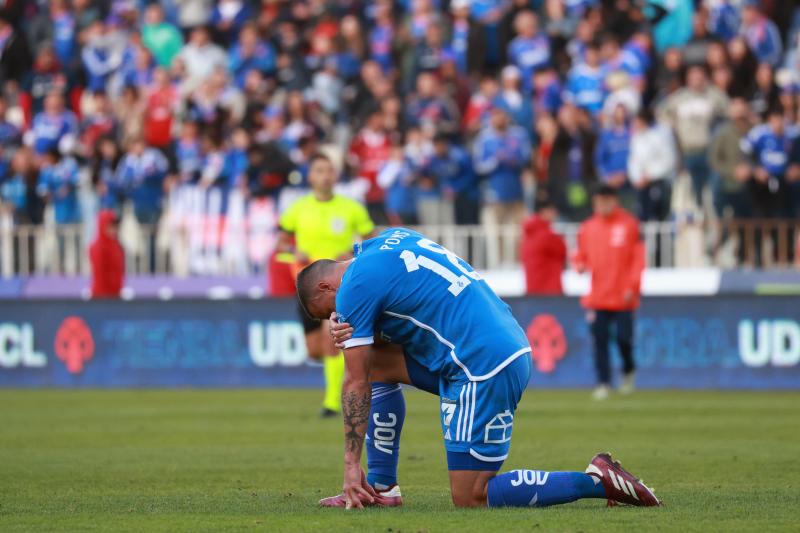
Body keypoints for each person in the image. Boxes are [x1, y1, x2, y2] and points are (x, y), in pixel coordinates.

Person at [297, 228, 660, 509]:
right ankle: (380, 488)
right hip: (501, 345)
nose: (334, 317)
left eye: (326, 311)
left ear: (327, 286)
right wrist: (359, 329)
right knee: (376, 363)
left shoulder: (352, 290)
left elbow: (354, 380)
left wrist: (349, 464)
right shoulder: (390, 240)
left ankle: (597, 481)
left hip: (482, 366)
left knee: (471, 496)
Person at [277, 153, 375, 417]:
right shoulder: (298, 208)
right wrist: (293, 251)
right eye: (320, 170)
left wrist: (353, 252)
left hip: (337, 285)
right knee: (314, 350)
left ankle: (332, 402)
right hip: (306, 284)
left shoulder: (351, 208)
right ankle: (349, 372)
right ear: (310, 176)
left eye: (330, 170)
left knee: (328, 336)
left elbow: (373, 242)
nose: (326, 175)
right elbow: (282, 244)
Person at [573, 186, 645, 400]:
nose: (602, 206)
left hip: (623, 296)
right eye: (598, 201)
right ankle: (603, 382)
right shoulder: (587, 228)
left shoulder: (629, 224)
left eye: (606, 201)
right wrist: (579, 264)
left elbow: (638, 258)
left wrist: (632, 287)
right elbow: (581, 255)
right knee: (599, 341)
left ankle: (629, 370)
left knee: (624, 339)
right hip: (598, 297)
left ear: (614, 201)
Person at [520, 197, 566, 295]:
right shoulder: (548, 235)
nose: (555, 214)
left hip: (532, 289)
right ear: (544, 212)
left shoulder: (529, 233)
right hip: (550, 290)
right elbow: (562, 252)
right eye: (552, 211)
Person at [89, 210, 124, 298]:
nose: (114, 229)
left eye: (116, 226)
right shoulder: (98, 247)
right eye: (111, 226)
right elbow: (100, 274)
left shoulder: (117, 245)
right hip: (102, 296)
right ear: (102, 226)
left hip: (116, 295)